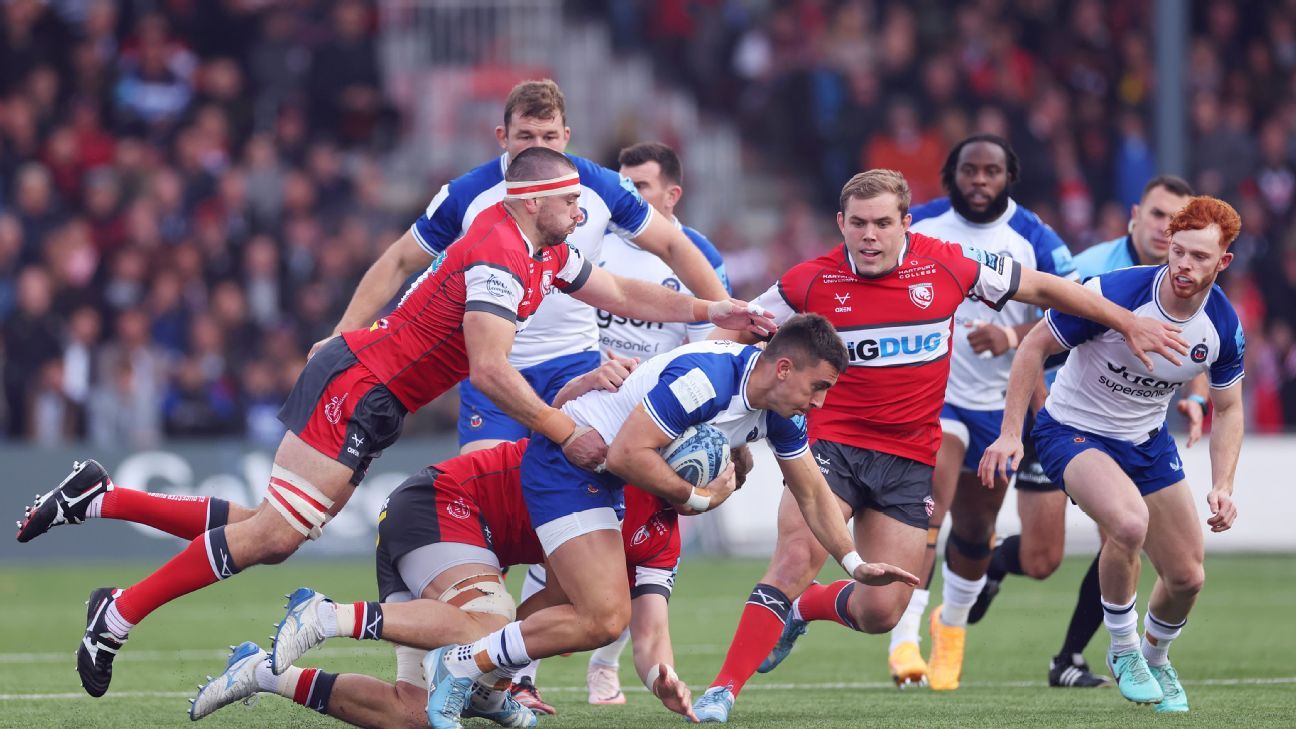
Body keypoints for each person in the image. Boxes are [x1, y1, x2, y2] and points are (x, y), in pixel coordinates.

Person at [16, 148, 770, 698]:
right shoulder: (499, 257)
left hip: (378, 395)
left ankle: (101, 498)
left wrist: (715, 309)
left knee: (270, 527)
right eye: (572, 201)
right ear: (534, 200)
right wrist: (563, 427)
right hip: (363, 388)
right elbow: (489, 372)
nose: (583, 213)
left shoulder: (545, 249)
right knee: (274, 536)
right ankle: (118, 613)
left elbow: (624, 293)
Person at [694, 169, 1187, 723]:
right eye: (858, 223)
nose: (870, 235)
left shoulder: (949, 264)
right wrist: (685, 388)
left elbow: (1047, 289)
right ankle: (721, 691)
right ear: (841, 224)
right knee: (793, 559)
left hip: (908, 462)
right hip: (830, 448)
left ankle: (804, 609)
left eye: (883, 223)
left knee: (881, 611)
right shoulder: (810, 281)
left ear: (907, 223)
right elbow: (736, 328)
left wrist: (1127, 322)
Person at [423, 315, 921, 729]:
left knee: (582, 610)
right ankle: (460, 662)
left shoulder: (779, 410)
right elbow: (626, 453)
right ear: (785, 369)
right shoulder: (706, 380)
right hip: (569, 465)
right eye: (819, 387)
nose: (820, 402)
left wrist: (853, 563)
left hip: (609, 480)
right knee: (603, 617)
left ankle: (483, 680)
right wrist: (699, 499)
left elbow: (812, 491)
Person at [311, 80, 729, 459]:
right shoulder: (467, 194)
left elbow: (673, 245)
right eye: (525, 136)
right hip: (493, 368)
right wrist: (340, 334)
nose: (537, 147)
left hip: (575, 363)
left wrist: (725, 314)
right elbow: (399, 260)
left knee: (587, 480)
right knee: (488, 484)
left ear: (566, 136)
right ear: (502, 137)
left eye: (549, 136)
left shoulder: (599, 186)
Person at [979, 195, 1246, 713]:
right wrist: (1011, 433)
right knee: (1128, 523)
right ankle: (1122, 650)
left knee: (1187, 577)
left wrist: (1223, 485)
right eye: (1178, 251)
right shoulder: (1118, 292)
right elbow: (1034, 345)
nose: (1184, 265)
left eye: (1200, 257)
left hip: (1145, 442)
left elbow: (1229, 407)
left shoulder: (1222, 324)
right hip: (1071, 431)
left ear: (1223, 262)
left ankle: (1155, 657)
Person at [516, 140, 733, 711]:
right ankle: (519, 674)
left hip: (659, 421)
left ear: (671, 195)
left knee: (636, 552)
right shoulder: (595, 240)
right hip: (591, 405)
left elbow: (713, 340)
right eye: (621, 183)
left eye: (640, 186)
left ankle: (606, 665)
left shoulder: (697, 258)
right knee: (558, 548)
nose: (625, 195)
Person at [888, 134, 1079, 691]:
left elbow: (1075, 314)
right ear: (951, 174)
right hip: (935, 395)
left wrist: (1012, 336)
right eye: (968, 170)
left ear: (1008, 177)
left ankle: (950, 630)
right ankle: (903, 639)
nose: (978, 180)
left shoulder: (1035, 238)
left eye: (990, 171)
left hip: (1002, 405)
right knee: (930, 505)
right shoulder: (919, 225)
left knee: (976, 530)